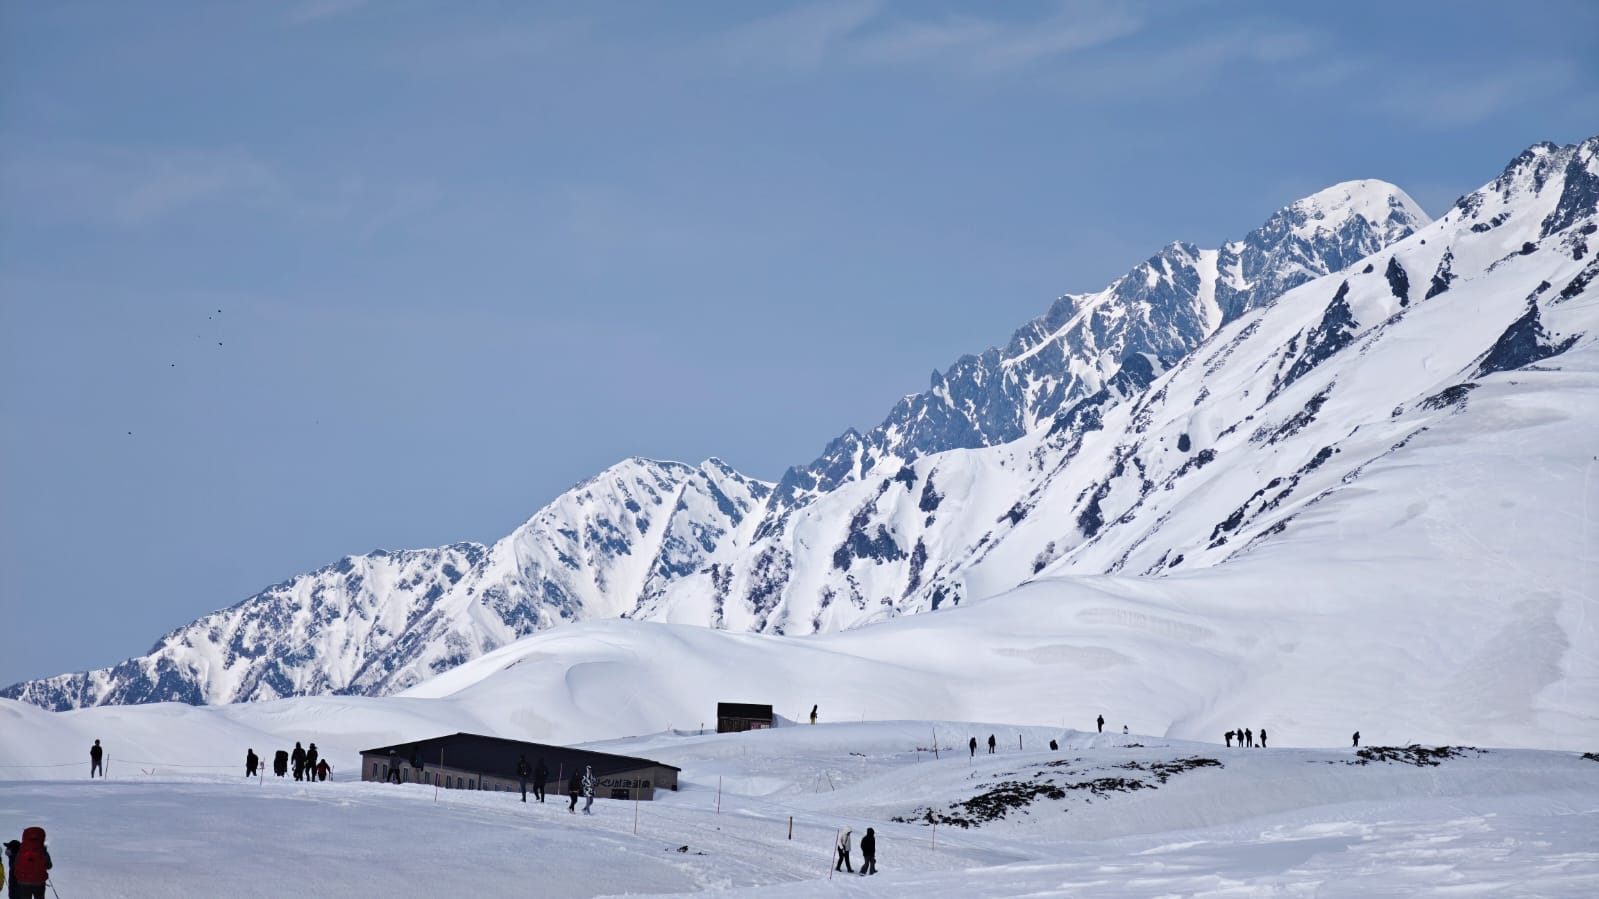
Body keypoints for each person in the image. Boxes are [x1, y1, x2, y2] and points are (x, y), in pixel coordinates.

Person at [10, 827, 50, 899]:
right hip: (39, 881)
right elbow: (49, 865)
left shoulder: (22, 850)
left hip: (23, 881)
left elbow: (16, 864)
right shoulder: (42, 851)